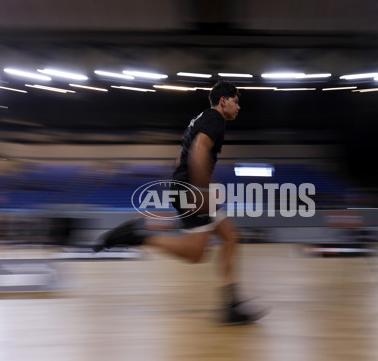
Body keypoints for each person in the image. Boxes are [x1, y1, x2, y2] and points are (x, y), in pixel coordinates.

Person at [93, 80, 267, 325]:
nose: (239, 107)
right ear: (223, 100)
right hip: (192, 191)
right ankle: (139, 236)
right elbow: (197, 152)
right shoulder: (215, 119)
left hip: (189, 187)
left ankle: (232, 305)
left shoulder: (201, 119)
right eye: (237, 102)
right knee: (196, 253)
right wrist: (201, 192)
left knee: (231, 237)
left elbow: (182, 156)